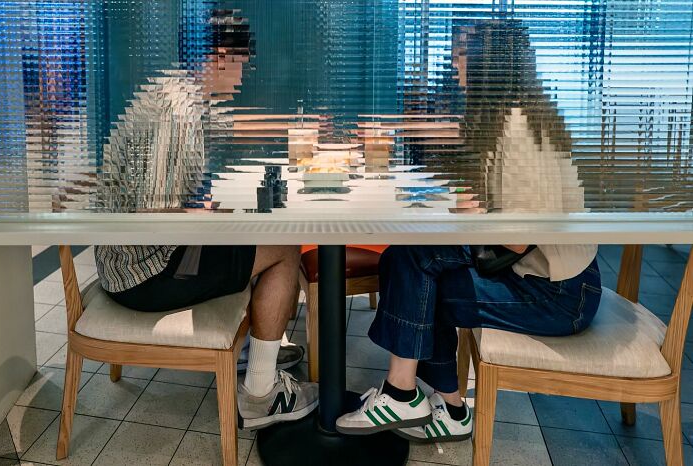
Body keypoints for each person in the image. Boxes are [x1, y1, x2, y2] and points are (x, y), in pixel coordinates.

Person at [336, 18, 602, 442]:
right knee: (407, 261)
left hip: (559, 294)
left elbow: (517, 238)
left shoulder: (518, 127)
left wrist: (467, 215)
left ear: (488, 62)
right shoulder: (508, 113)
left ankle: (404, 394)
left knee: (414, 266)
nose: (453, 60)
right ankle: (447, 407)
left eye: (460, 51)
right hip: (546, 274)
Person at [95, 9, 316, 430]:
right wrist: (209, 216)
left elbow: (234, 127)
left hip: (144, 257)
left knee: (255, 229)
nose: (242, 75)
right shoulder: (172, 115)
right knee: (284, 247)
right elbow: (149, 213)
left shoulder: (185, 93)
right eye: (241, 64)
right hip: (145, 274)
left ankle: (256, 346)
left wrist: (298, 127)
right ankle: (260, 394)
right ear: (218, 57)